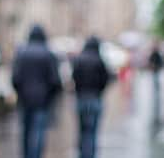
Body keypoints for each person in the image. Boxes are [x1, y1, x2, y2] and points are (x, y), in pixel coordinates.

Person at [11, 25, 62, 158]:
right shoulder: (48, 54)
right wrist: (49, 98)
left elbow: (15, 79)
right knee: (39, 132)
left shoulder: (21, 53)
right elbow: (55, 81)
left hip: (25, 100)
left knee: (26, 132)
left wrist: (21, 94)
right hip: (42, 101)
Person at [72, 36, 110, 158]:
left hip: (81, 98)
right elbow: (105, 80)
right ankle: (90, 154)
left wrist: (79, 90)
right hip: (95, 99)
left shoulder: (79, 59)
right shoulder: (99, 60)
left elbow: (74, 77)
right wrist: (99, 91)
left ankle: (82, 154)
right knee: (92, 131)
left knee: (82, 130)